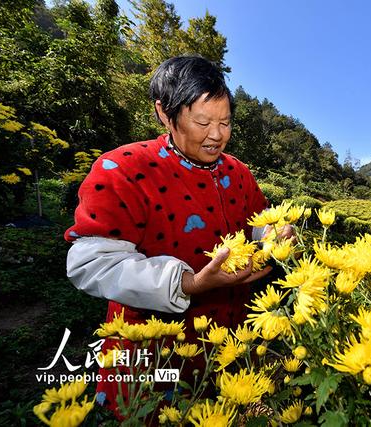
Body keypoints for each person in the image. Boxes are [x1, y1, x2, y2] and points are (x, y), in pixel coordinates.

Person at [64, 56, 279, 416]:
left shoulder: (238, 171)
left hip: (230, 344)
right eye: (202, 122)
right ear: (164, 113)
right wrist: (188, 282)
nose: (217, 134)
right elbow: (91, 264)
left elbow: (256, 219)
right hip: (153, 355)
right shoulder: (123, 169)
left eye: (225, 122)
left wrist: (272, 232)